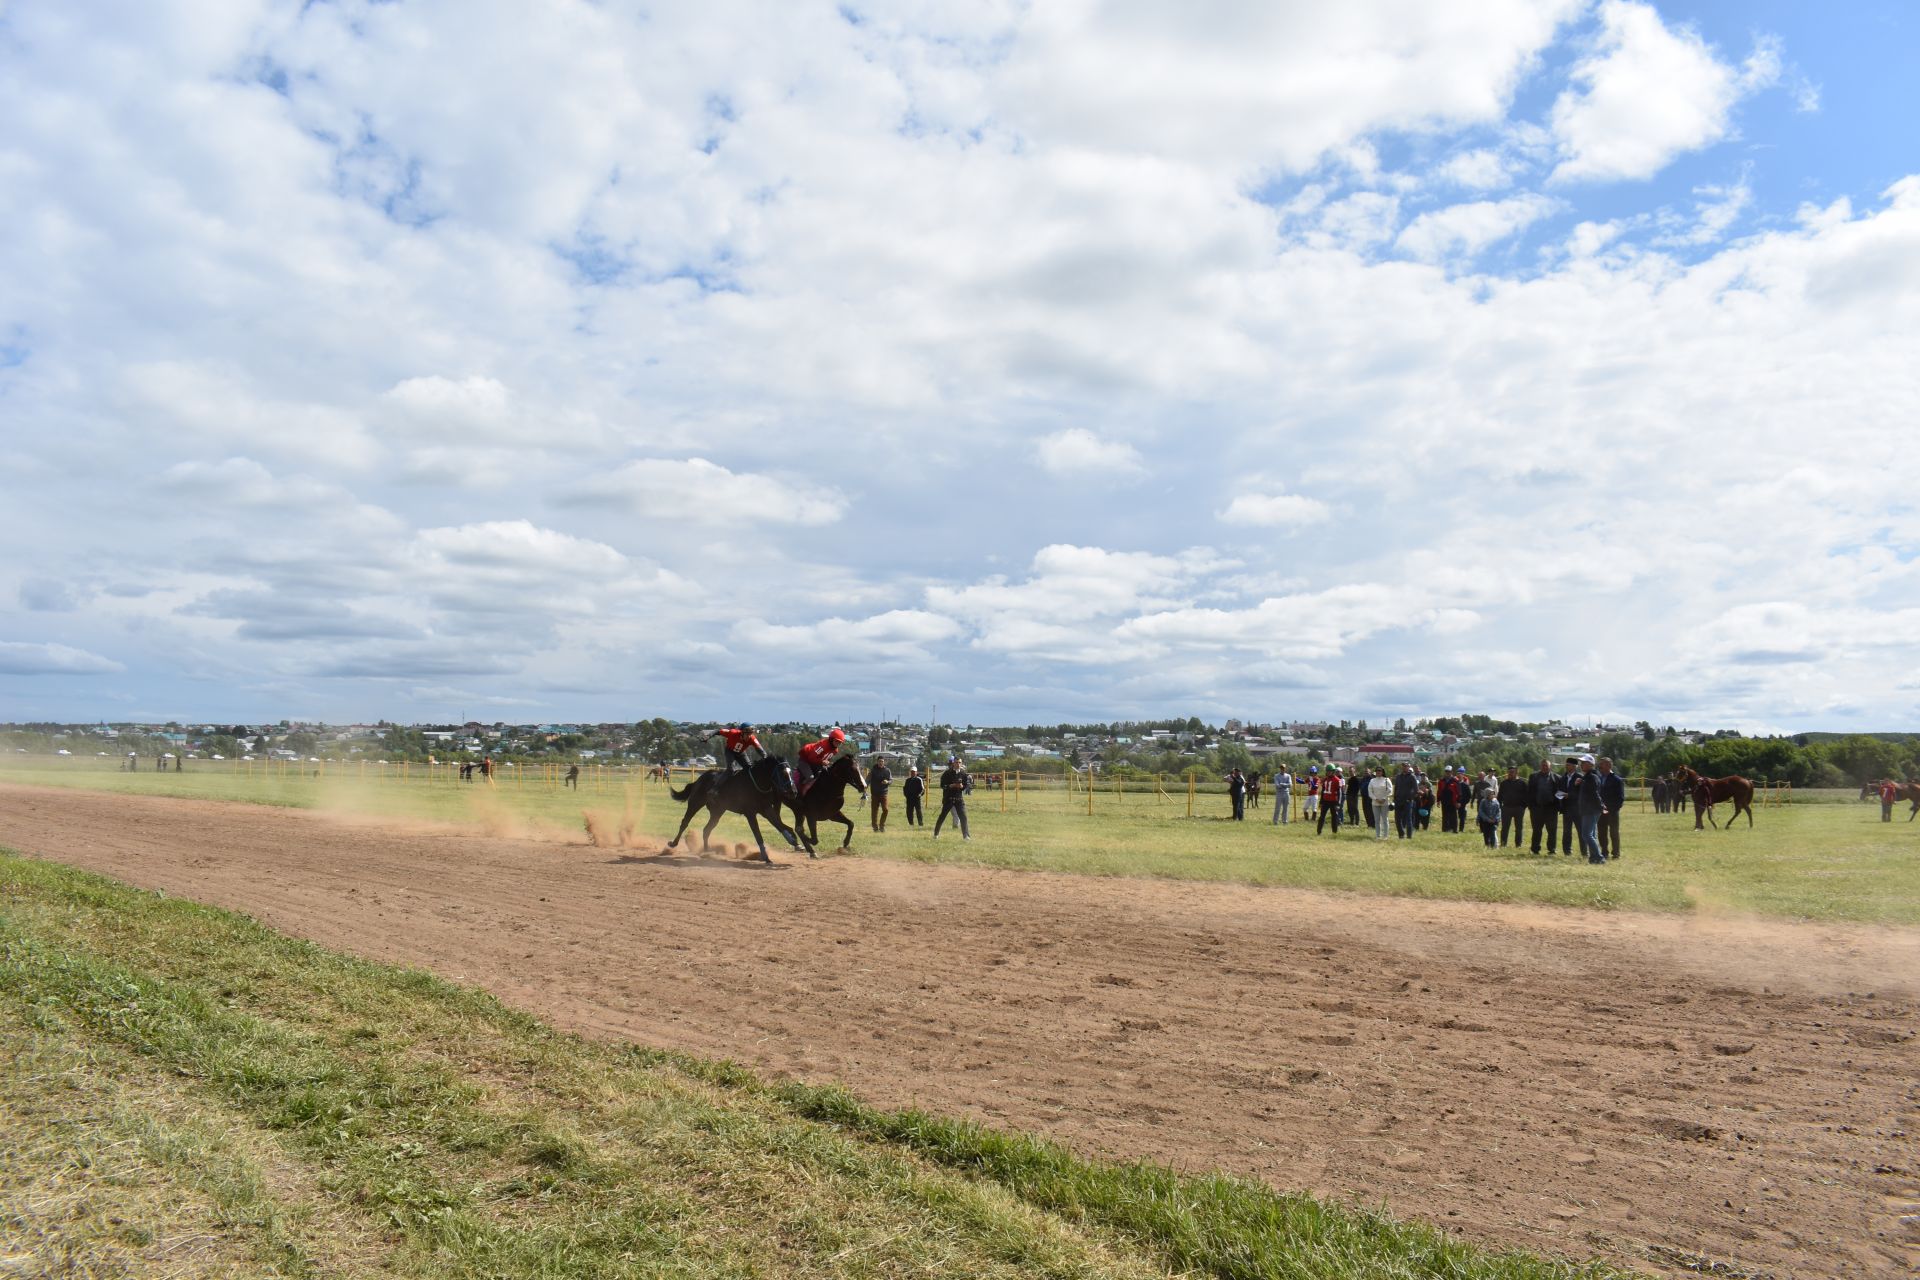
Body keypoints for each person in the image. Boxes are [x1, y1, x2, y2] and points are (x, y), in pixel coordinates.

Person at [1572, 754, 1607, 863]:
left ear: (1591, 764)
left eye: (1584, 763)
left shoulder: (1592, 777)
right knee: (1591, 835)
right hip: (1588, 809)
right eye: (1581, 762)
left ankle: (1599, 858)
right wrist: (1579, 784)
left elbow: (1595, 794)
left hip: (1591, 810)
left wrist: (1601, 806)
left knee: (1586, 835)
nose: (1582, 764)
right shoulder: (1587, 777)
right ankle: (1593, 858)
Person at [796, 727, 846, 795]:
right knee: (810, 777)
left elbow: (824, 760)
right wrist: (822, 762)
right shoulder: (823, 746)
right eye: (836, 741)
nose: (838, 743)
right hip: (805, 760)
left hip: (815, 763)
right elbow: (811, 758)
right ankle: (799, 793)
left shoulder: (835, 751)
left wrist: (826, 763)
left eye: (840, 742)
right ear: (831, 739)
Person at [933, 756, 971, 839]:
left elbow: (965, 786)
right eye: (956, 762)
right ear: (953, 763)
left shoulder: (963, 774)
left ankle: (966, 836)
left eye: (959, 762)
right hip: (948, 798)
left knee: (963, 817)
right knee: (942, 816)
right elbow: (942, 785)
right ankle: (936, 834)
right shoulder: (947, 773)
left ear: (961, 764)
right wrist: (951, 785)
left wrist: (961, 786)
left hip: (959, 799)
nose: (958, 764)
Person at [1596, 756, 1626, 858]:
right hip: (1600, 811)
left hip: (1612, 811)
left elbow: (1621, 798)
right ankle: (1604, 852)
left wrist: (1611, 809)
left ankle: (1616, 853)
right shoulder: (1599, 779)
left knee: (1614, 833)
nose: (1600, 766)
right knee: (1601, 833)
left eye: (1602, 764)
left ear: (1609, 766)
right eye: (1600, 764)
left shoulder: (1617, 780)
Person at [1528, 759, 1558, 855]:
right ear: (1540, 766)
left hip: (1551, 809)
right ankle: (1535, 849)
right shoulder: (1533, 777)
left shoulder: (1557, 778)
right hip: (1537, 809)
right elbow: (1529, 792)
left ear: (1550, 767)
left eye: (1546, 765)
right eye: (1543, 765)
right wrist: (1531, 806)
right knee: (1536, 830)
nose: (1544, 767)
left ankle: (1552, 850)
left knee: (1552, 831)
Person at [1497, 766, 1530, 848]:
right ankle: (1503, 844)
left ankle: (1518, 845)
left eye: (1512, 772)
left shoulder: (1522, 783)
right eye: (1509, 772)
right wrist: (1501, 806)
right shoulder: (1503, 783)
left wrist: (1523, 806)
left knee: (1518, 828)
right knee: (1505, 828)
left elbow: (1527, 796)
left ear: (1516, 772)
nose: (1510, 773)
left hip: (1519, 808)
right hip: (1506, 808)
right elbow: (1499, 796)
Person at [1556, 757, 1581, 857]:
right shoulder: (1563, 778)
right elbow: (1559, 791)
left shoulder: (1580, 778)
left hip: (1578, 809)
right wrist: (1559, 795)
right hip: (1566, 809)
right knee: (1566, 832)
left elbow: (1581, 793)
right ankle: (1567, 852)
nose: (1566, 766)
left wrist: (1569, 795)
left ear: (1574, 766)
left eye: (1568, 765)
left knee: (1581, 831)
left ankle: (1584, 852)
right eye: (1566, 765)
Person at [1392, 762, 1419, 838]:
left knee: (1408, 819)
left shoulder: (1412, 777)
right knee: (1397, 819)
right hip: (1398, 801)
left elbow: (1416, 790)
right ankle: (1401, 834)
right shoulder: (1398, 777)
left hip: (1408, 801)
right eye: (1403, 766)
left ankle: (1409, 836)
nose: (1405, 767)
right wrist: (1394, 798)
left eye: (1406, 766)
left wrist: (1410, 798)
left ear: (1409, 767)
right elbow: (1396, 788)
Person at [1367, 767, 1393, 839]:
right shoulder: (1372, 780)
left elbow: (1390, 791)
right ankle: (1378, 835)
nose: (1378, 772)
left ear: (1382, 772)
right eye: (1377, 771)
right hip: (1375, 803)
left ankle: (1385, 836)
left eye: (1380, 771)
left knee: (1385, 819)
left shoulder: (1386, 780)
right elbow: (1370, 791)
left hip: (1385, 802)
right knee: (1377, 820)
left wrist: (1384, 798)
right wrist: (1376, 799)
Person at [1315, 766, 1342, 835]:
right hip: (1326, 800)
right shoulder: (1325, 779)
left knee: (1334, 816)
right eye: (1327, 771)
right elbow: (1323, 791)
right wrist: (1321, 801)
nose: (1328, 772)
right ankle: (1319, 831)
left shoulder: (1337, 780)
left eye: (1329, 771)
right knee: (1322, 816)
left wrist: (1338, 803)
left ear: (1333, 771)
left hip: (1333, 801)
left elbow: (1339, 793)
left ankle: (1334, 831)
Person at [868, 756, 892, 831]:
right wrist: (865, 786)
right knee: (874, 811)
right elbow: (867, 779)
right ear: (877, 762)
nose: (881, 763)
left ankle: (882, 826)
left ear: (884, 762)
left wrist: (887, 782)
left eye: (882, 761)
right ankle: (875, 827)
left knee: (885, 810)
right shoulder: (873, 770)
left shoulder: (887, 770)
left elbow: (891, 780)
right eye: (879, 761)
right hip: (874, 794)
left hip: (883, 793)